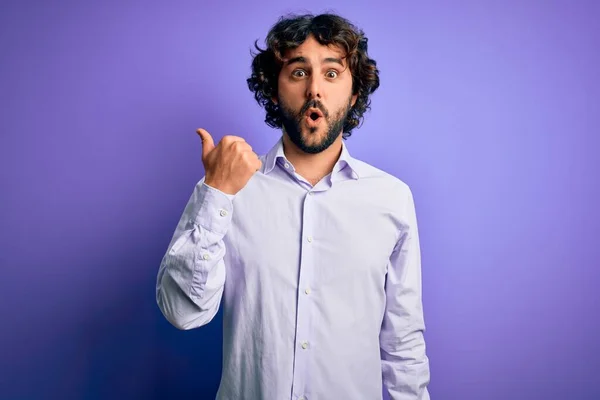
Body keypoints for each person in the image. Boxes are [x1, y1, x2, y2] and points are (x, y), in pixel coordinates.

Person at [156, 12, 430, 400]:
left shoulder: (392, 199)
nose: (314, 89)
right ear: (273, 89)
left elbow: (403, 345)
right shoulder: (226, 189)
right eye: (298, 73)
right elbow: (182, 312)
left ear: (354, 94)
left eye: (332, 73)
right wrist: (216, 192)